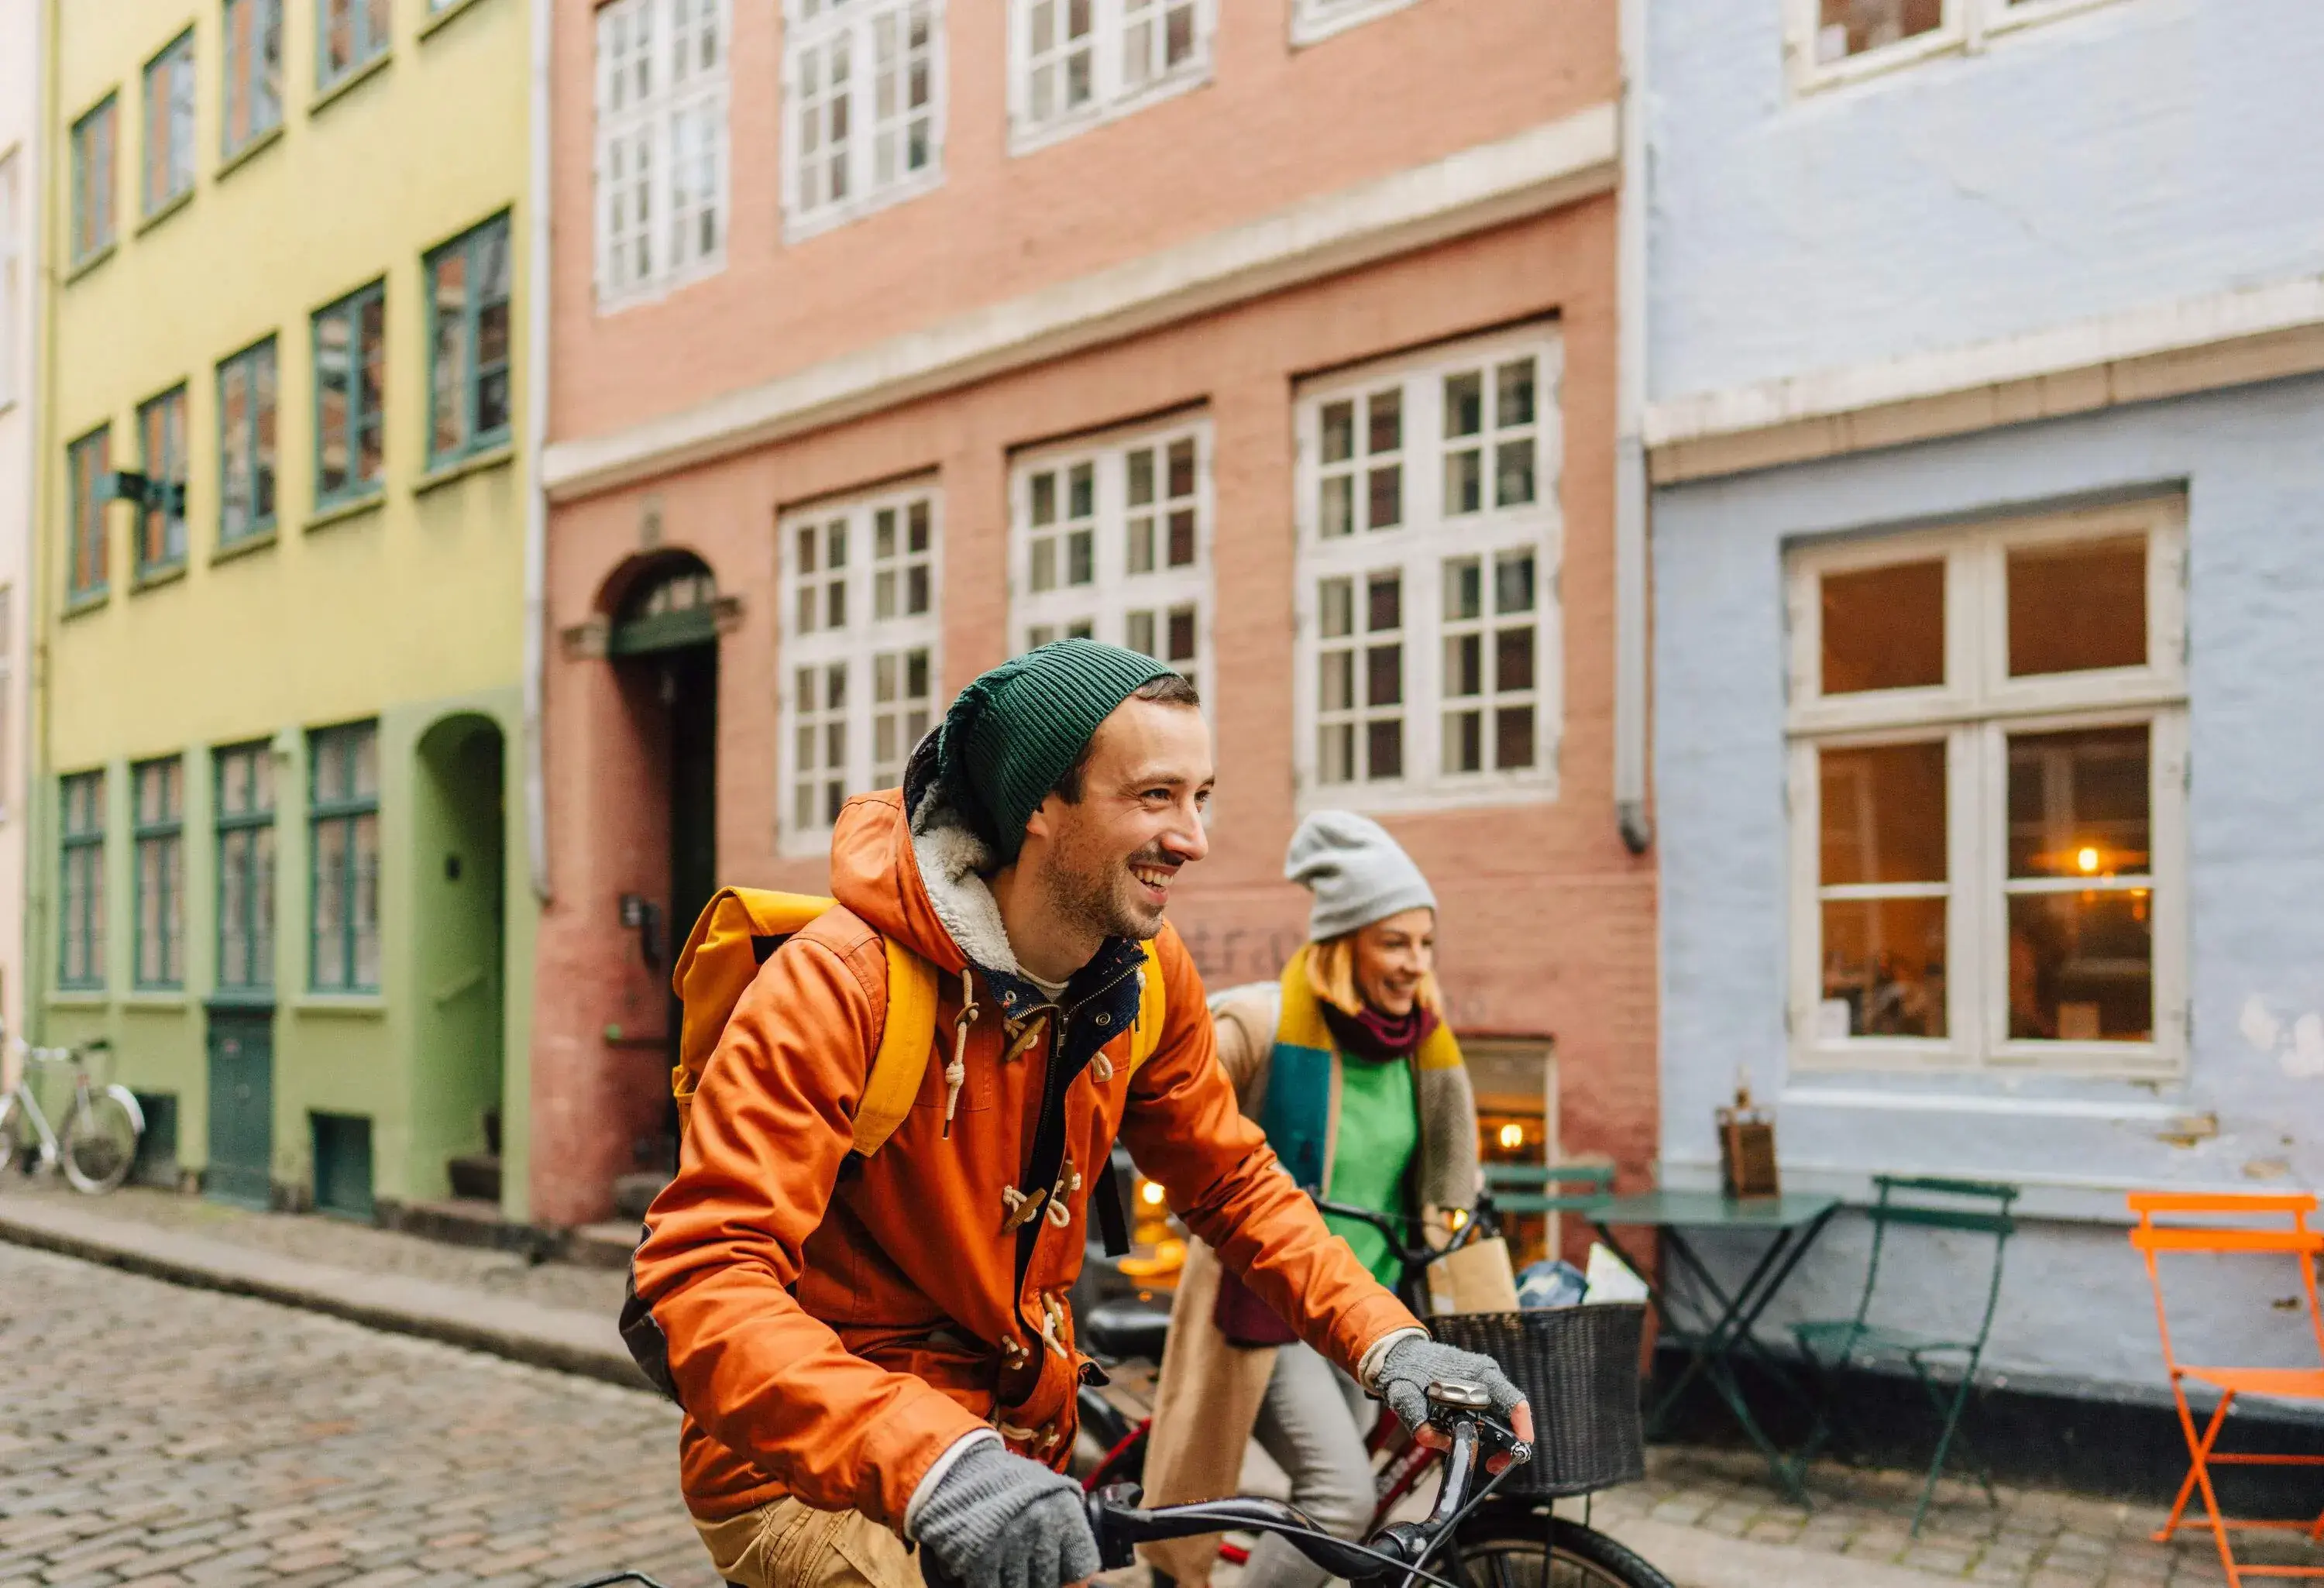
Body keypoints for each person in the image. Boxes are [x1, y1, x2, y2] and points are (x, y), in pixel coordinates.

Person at [625, 641, 1529, 1588]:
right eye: (1153, 797)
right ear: (1039, 809)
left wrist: (1392, 1344)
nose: (1193, 837)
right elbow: (701, 1279)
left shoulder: (1143, 971)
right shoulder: (841, 984)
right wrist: (937, 1459)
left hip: (1014, 1453)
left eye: (1200, 797)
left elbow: (1230, 1179)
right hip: (812, 1471)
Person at [1140, 810, 1483, 1588]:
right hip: (1267, 1305)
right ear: (1344, 943)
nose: (1414, 965)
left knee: (1335, 1487)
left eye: (1425, 944)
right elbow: (1168, 1089)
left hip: (1362, 1310)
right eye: (1394, 942)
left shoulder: (1422, 1050)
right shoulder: (1263, 1023)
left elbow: (1443, 1173)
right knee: (1340, 1499)